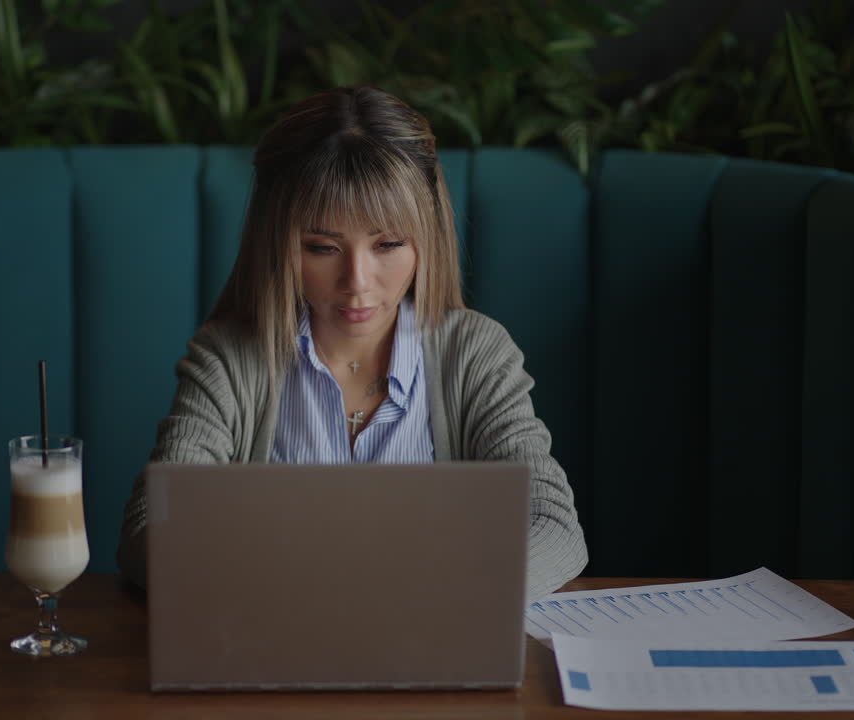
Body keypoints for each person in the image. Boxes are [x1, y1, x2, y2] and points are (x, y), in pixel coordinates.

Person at [117, 86, 587, 598]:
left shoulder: (475, 355)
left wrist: (434, 593)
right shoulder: (229, 358)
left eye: (388, 244)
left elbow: (555, 529)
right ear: (276, 243)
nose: (358, 282)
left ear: (427, 236)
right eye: (321, 247)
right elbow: (150, 532)